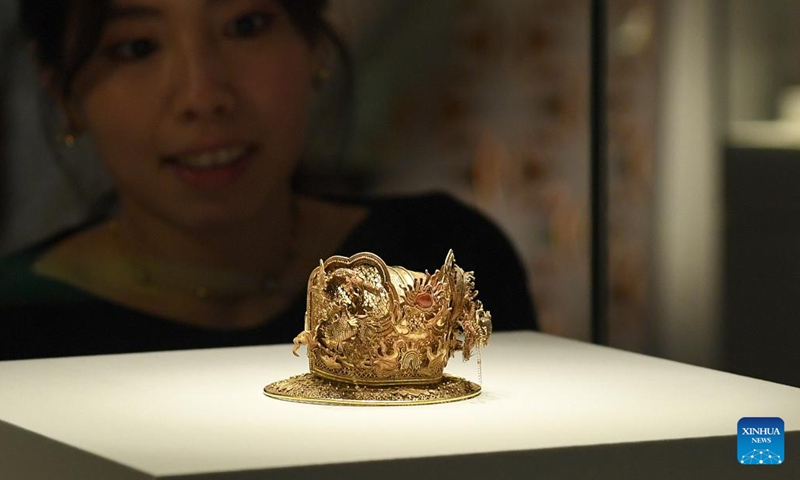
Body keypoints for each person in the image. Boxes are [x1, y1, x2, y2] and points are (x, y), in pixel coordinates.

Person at [0, 0, 537, 361]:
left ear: (315, 46)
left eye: (245, 26)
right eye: (137, 47)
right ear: (63, 94)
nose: (203, 96)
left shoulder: (439, 266)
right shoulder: (23, 322)